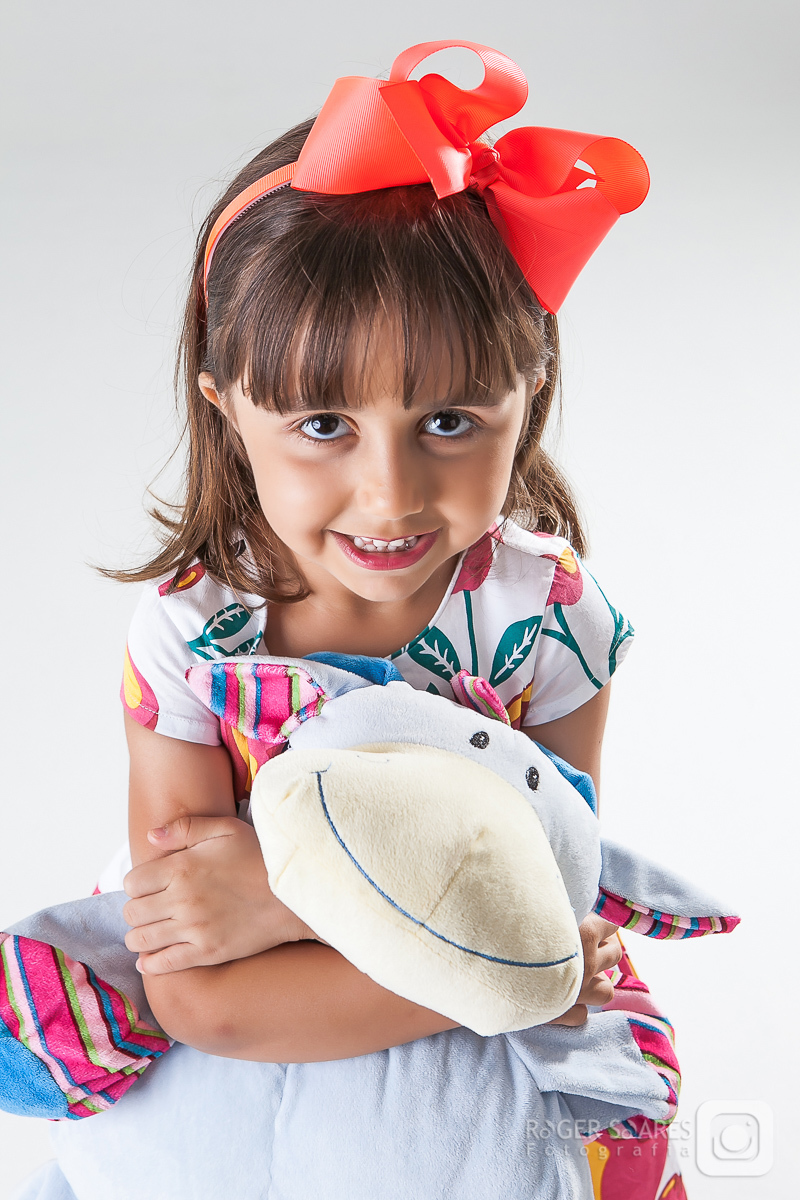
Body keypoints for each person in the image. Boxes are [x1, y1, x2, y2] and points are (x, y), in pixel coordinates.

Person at [110, 39, 678, 1199]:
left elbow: (551, 887)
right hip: (254, 1085)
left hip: (488, 1090)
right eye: (322, 424)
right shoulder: (192, 641)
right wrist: (501, 969)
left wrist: (275, 900)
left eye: (451, 420)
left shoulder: (555, 620)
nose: (391, 494)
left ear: (529, 394)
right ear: (227, 412)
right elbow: (195, 988)